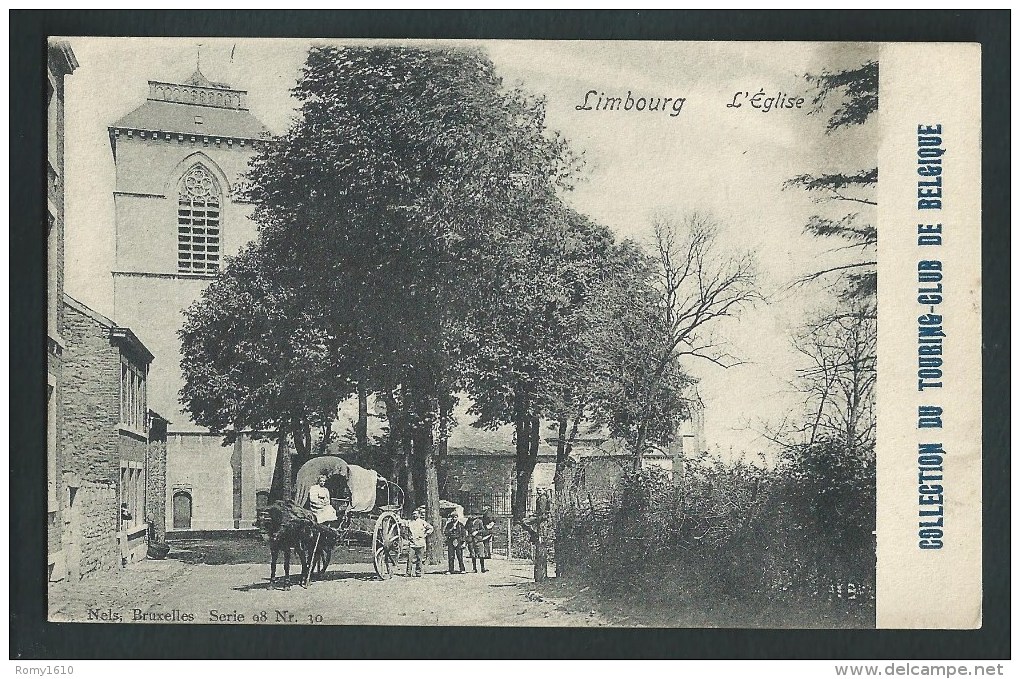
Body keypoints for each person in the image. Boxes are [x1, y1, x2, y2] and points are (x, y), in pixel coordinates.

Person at [401, 508, 434, 577]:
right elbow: (402, 523)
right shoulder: (410, 522)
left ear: (419, 515)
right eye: (413, 514)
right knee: (410, 559)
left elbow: (431, 528)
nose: (414, 515)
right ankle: (408, 572)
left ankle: (418, 572)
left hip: (421, 543)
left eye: (415, 514)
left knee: (419, 559)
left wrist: (425, 534)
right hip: (412, 544)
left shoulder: (422, 522)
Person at [467, 508, 495, 573]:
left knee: (481, 554)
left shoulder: (479, 521)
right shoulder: (469, 521)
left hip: (478, 539)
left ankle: (482, 568)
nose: (473, 516)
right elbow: (466, 528)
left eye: (475, 515)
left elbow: (483, 530)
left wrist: (477, 532)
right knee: (473, 554)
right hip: (471, 539)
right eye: (472, 514)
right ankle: (474, 568)